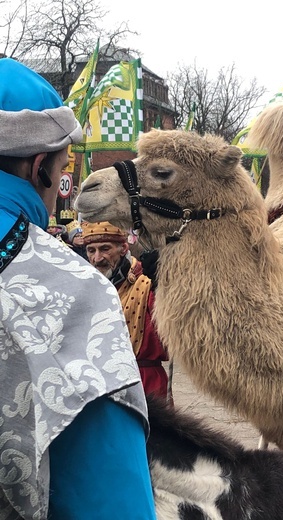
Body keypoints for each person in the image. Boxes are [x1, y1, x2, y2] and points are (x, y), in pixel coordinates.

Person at [0, 57, 156, 519]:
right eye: (64, 168)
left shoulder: (139, 282)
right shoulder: (69, 291)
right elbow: (110, 502)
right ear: (38, 167)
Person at [82, 221, 170, 400]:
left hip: (145, 382)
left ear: (123, 248)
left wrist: (166, 289)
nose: (97, 258)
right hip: (99, 382)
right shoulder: (84, 284)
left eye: (105, 249)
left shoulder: (147, 282)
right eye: (91, 250)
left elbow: (172, 335)